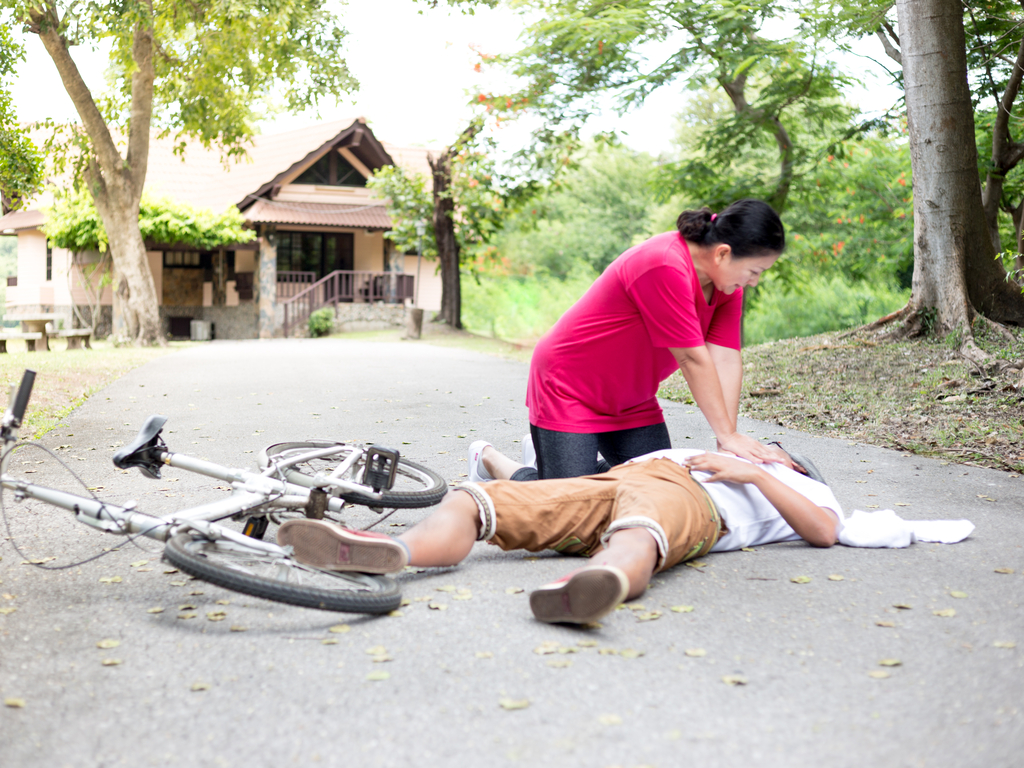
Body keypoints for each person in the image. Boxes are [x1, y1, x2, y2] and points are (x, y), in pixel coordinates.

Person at [276, 448, 842, 624]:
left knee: (639, 530)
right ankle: (393, 551)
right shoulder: (742, 458)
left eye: (775, 451)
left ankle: (601, 581)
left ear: (794, 466)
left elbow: (824, 532)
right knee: (479, 500)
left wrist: (760, 472)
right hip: (619, 477)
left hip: (692, 500)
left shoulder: (799, 487)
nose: (761, 448)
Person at [479, 198, 791, 484]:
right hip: (570, 386)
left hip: (631, 398)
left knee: (660, 488)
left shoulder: (727, 287)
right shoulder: (666, 264)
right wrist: (728, 433)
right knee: (569, 511)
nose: (754, 281)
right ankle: (490, 460)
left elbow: (724, 358)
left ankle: (559, 463)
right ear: (723, 253)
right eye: (754, 270)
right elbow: (693, 359)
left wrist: (727, 440)